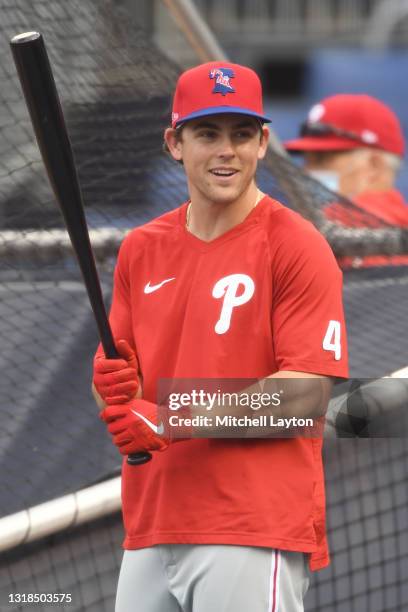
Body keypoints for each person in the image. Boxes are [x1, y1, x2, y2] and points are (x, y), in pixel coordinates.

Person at [92, 62, 348, 612]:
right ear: (174, 143)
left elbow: (305, 397)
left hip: (252, 527)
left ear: (263, 143)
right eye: (207, 133)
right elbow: (119, 398)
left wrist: (167, 419)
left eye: (241, 134)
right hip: (152, 525)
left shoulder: (296, 245)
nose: (226, 150)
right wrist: (112, 393)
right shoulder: (140, 248)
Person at [284, 93, 408, 268]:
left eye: (322, 158)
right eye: (306, 159)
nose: (307, 171)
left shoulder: (342, 222)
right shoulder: (400, 217)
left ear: (374, 165)